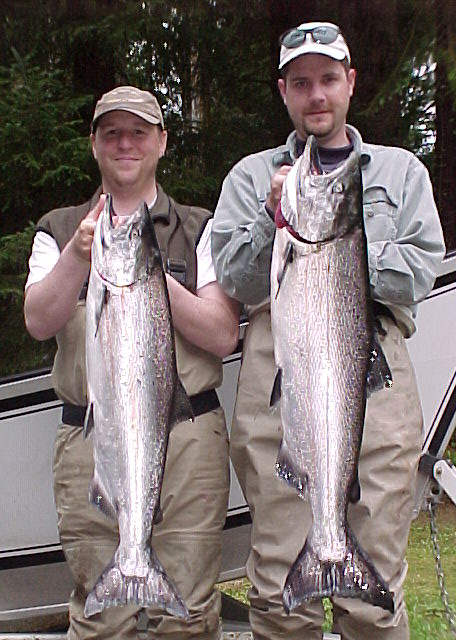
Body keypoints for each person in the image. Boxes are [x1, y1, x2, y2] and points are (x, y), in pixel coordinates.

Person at [211, 21, 446, 640]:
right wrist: (273, 220)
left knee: (375, 597)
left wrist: (340, 246)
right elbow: (235, 278)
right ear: (284, 92)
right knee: (277, 593)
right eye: (302, 83)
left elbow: (418, 271)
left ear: (351, 85)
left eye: (329, 80)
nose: (317, 95)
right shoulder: (249, 177)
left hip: (378, 376)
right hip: (279, 380)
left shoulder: (400, 172)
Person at [24, 85, 240, 640]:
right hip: (92, 439)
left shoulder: (199, 227)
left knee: (188, 617)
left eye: (138, 132)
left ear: (162, 142)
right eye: (112, 133)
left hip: (189, 437)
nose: (126, 144)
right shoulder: (58, 228)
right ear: (93, 144)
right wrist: (78, 254)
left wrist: (146, 275)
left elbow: (222, 335)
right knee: (101, 623)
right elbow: (38, 320)